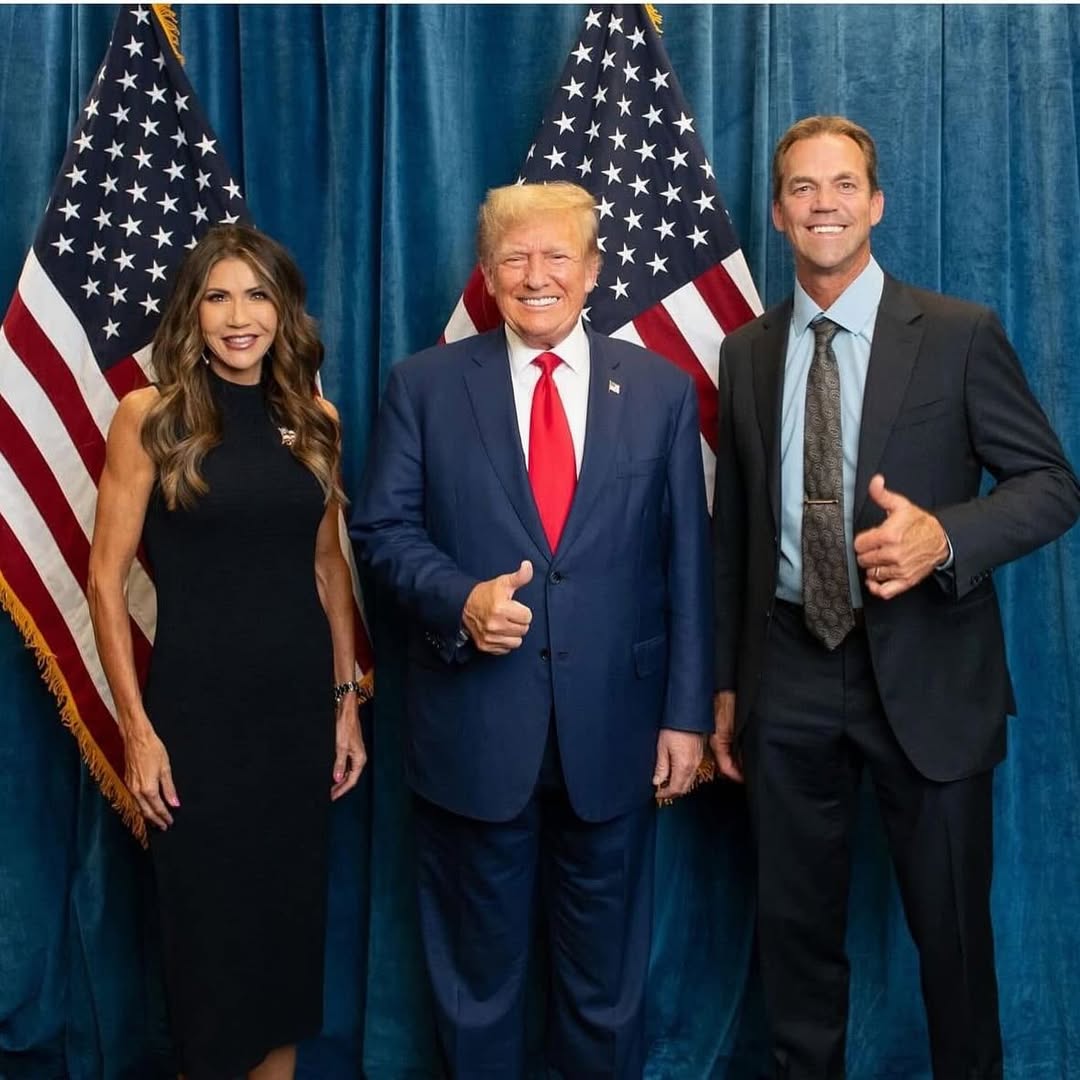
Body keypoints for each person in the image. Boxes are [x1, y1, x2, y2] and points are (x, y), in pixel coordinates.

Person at [709, 114, 1080, 1079]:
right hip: (787, 671)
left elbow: (1051, 485)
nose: (822, 204)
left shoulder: (959, 334)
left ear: (875, 205)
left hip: (927, 671)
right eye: (802, 188)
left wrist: (946, 535)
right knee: (795, 939)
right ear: (780, 215)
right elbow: (735, 535)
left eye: (841, 186)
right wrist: (724, 688)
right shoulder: (746, 352)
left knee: (953, 943)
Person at [351, 181, 712, 1077]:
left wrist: (686, 714)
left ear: (594, 271)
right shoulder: (424, 386)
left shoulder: (661, 393)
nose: (536, 275)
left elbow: (687, 565)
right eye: (515, 258)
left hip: (617, 736)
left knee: (606, 989)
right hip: (474, 728)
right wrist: (461, 599)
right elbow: (381, 533)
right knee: (479, 988)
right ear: (487, 273)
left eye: (558, 257)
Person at [87, 224, 367, 1080]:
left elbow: (328, 567)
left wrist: (346, 700)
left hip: (293, 722)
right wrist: (137, 731)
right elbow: (104, 584)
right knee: (210, 953)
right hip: (195, 722)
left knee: (282, 947)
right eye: (218, 296)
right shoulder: (151, 416)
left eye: (256, 295)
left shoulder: (313, 417)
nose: (239, 316)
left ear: (283, 310)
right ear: (192, 314)